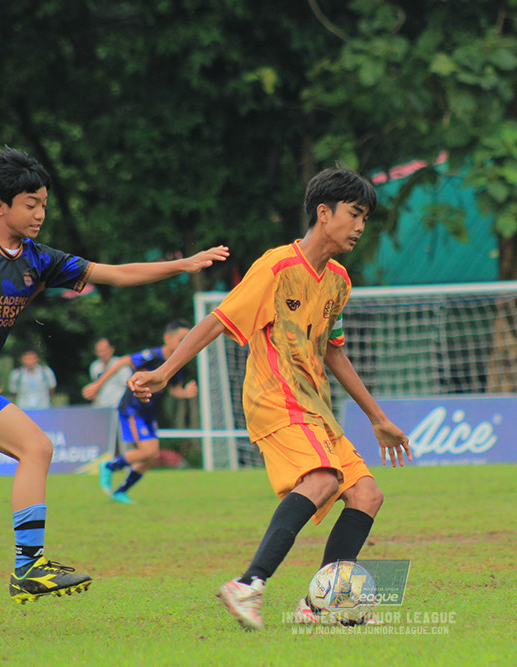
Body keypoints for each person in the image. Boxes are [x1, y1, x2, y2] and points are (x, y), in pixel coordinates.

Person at [0, 147, 229, 603]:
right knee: (36, 447)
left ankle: (28, 566)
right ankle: (29, 568)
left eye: (43, 203)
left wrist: (182, 264)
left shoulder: (39, 259)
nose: (40, 213)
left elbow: (112, 274)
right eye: (30, 205)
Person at [128, 165, 412, 631]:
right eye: (355, 214)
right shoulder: (276, 266)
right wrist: (164, 371)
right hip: (274, 398)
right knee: (321, 479)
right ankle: (248, 584)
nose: (361, 226)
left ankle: (321, 605)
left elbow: (334, 353)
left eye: (365, 218)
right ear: (325, 213)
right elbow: (217, 320)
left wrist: (377, 417)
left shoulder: (339, 280)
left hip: (314, 406)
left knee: (367, 493)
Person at [82, 320, 198, 503]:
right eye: (181, 339)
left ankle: (121, 491)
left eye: (187, 340)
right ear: (167, 338)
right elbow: (122, 362)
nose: (183, 344)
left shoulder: (176, 364)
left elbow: (174, 389)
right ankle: (109, 465)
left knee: (152, 457)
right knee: (147, 452)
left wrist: (186, 393)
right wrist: (98, 385)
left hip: (148, 413)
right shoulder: (152, 355)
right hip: (132, 409)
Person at [88, 337, 132, 408]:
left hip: (118, 408)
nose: (101, 354)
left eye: (103, 350)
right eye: (99, 351)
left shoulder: (121, 365)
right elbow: (94, 389)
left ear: (111, 349)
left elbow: (128, 388)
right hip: (101, 408)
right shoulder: (94, 366)